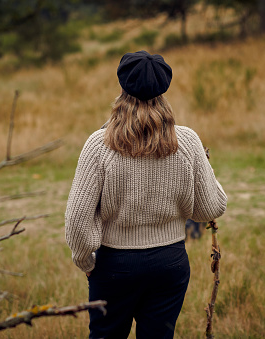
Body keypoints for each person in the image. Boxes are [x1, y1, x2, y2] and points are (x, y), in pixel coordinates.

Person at [65, 50, 227, 339]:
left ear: (122, 87)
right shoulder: (187, 141)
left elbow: (77, 221)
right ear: (164, 88)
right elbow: (210, 208)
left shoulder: (98, 145)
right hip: (170, 263)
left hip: (114, 267)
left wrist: (85, 263)